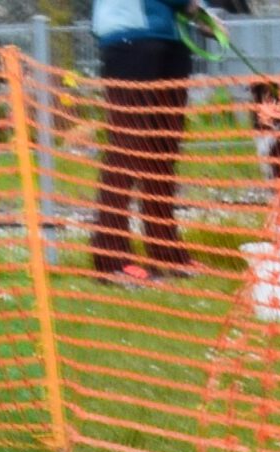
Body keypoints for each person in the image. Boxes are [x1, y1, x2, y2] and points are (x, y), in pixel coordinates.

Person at [91, 0, 199, 285]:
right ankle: (110, 258)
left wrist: (204, 14)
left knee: (163, 152)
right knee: (127, 149)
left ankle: (165, 252)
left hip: (173, 36)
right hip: (130, 34)